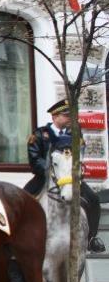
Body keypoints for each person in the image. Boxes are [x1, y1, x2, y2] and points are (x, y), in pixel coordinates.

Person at [25, 99, 104, 252]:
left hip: (69, 178)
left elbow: (79, 154)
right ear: (54, 116)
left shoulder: (75, 133)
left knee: (93, 200)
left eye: (71, 116)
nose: (70, 118)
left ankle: (92, 238)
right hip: (45, 178)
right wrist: (52, 172)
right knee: (22, 200)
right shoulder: (40, 134)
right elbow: (35, 160)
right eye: (66, 115)